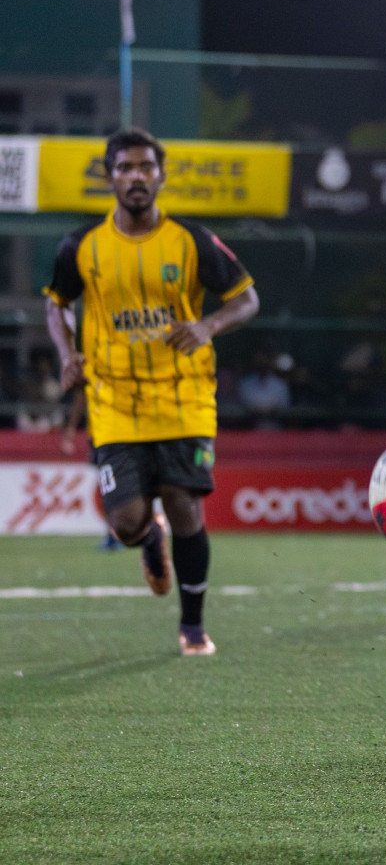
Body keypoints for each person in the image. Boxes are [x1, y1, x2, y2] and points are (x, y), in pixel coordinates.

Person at [44, 128, 260, 656]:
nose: (136, 176)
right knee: (124, 521)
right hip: (114, 400)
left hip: (182, 395)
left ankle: (192, 626)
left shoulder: (191, 240)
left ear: (160, 175)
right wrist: (67, 353)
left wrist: (208, 327)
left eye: (145, 167)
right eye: (124, 168)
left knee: (185, 504)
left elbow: (247, 298)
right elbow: (56, 305)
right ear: (110, 176)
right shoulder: (82, 246)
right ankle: (148, 540)